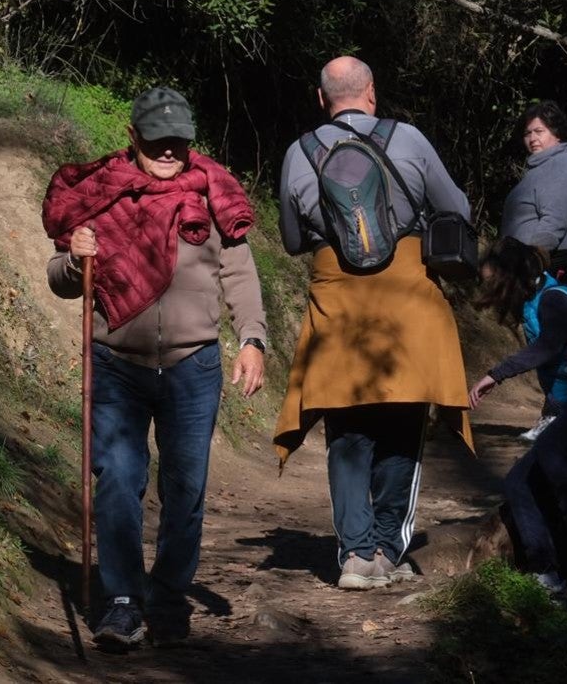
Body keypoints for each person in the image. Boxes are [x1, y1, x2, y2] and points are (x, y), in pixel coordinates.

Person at [42, 87, 268, 649]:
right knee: (118, 478)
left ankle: (167, 593)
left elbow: (238, 273)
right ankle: (121, 602)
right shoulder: (101, 195)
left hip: (194, 366)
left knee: (185, 486)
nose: (169, 152)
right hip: (116, 363)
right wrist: (76, 259)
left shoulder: (213, 192)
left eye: (178, 143)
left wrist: (253, 339)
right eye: (158, 141)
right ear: (133, 135)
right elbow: (60, 279)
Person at [274, 56, 474, 590]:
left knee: (347, 430)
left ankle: (356, 557)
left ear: (321, 100)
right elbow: (456, 209)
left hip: (337, 306)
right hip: (407, 303)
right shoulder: (408, 138)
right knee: (403, 425)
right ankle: (388, 547)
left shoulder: (299, 152)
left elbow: (293, 241)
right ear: (372, 93)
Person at [468, 238, 567, 596]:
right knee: (518, 482)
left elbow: (548, 347)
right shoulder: (535, 302)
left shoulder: (556, 300)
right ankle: (547, 578)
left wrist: (496, 374)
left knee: (553, 450)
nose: (490, 290)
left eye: (494, 281)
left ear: (513, 276)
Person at [499, 100, 567, 441]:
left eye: (539, 131)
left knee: (556, 343)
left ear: (557, 132)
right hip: (546, 263)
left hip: (561, 264)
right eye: (527, 132)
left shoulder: (560, 168)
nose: (532, 138)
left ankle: (559, 416)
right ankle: (561, 415)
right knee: (551, 341)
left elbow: (552, 226)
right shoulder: (545, 167)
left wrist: (530, 262)